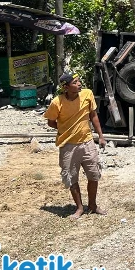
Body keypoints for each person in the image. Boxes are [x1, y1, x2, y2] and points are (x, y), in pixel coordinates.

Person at [44, 71, 107, 219]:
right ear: (66, 87)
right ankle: (79, 208)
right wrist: (66, 128)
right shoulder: (56, 102)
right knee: (72, 177)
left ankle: (92, 205)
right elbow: (51, 122)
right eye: (75, 82)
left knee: (94, 174)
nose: (79, 84)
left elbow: (93, 116)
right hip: (68, 145)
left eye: (79, 81)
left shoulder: (87, 94)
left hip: (87, 142)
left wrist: (101, 136)